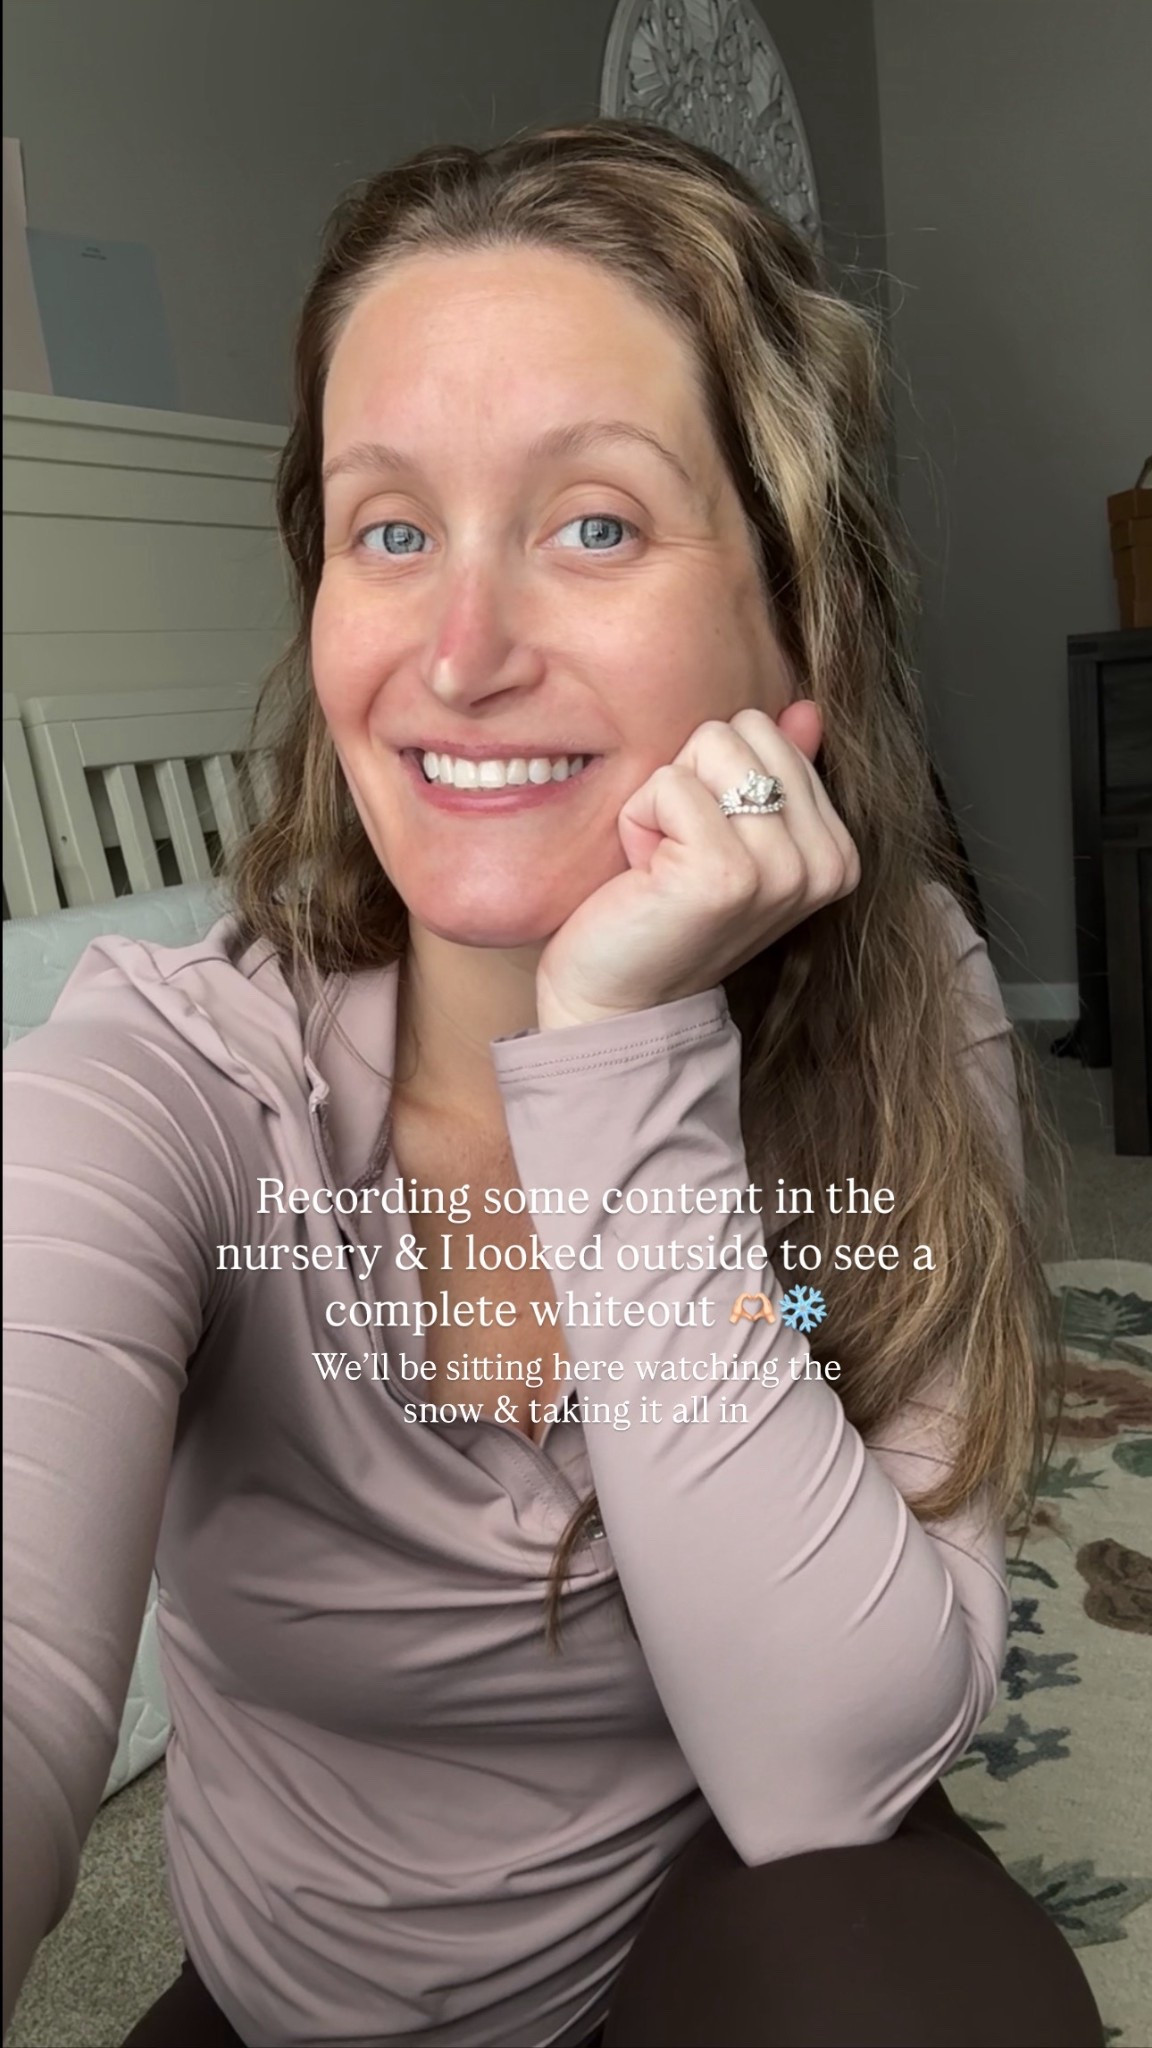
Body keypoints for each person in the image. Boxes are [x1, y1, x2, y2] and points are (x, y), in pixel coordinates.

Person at [2, 119, 1104, 2048]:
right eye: (390, 531)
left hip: (725, 1949)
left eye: (594, 522)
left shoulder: (908, 996)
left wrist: (611, 1055)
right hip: (301, 2019)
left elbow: (827, 1779)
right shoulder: (169, 1078)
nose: (461, 654)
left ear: (792, 608)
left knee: (907, 1988)